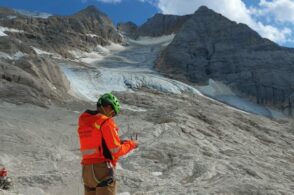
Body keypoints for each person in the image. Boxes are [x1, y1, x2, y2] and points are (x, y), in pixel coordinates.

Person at [77, 93, 138, 195]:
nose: (112, 116)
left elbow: (97, 141)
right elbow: (116, 151)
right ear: (109, 107)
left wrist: (118, 141)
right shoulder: (106, 122)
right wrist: (132, 144)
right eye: (113, 113)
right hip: (101, 170)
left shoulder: (84, 120)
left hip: (87, 171)